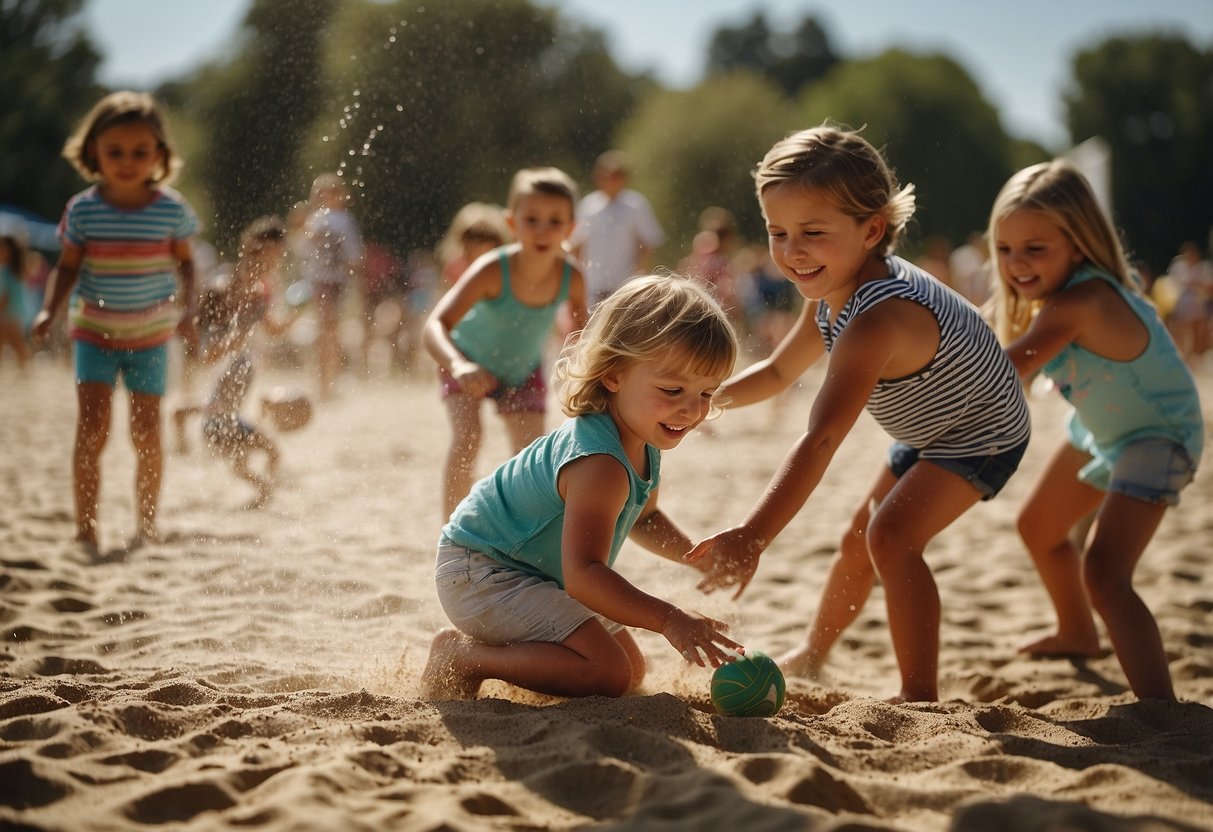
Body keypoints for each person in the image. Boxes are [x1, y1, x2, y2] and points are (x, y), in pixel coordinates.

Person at [687, 125, 1032, 703]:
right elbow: (776, 372)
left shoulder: (878, 318)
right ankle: (815, 652)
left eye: (813, 233)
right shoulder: (828, 286)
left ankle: (919, 695)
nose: (793, 250)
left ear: (872, 229)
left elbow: (821, 438)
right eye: (778, 232)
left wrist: (753, 536)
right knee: (859, 540)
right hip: (930, 428)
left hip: (980, 433)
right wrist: (702, 401)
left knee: (892, 537)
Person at [421, 274, 745, 700]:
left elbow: (642, 518)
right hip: (481, 571)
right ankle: (461, 657)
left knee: (631, 669)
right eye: (672, 389)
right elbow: (585, 575)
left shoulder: (641, 440)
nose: (692, 409)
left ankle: (509, 654)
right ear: (613, 375)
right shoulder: (599, 463)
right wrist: (670, 619)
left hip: (535, 574)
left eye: (706, 392)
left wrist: (695, 558)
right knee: (606, 672)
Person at [988, 161, 1204, 701]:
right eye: (1006, 249)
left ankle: (1162, 711)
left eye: (1035, 249)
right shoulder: (1051, 300)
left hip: (1160, 434)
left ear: (1079, 245)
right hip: (1104, 432)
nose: (1017, 265)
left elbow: (1002, 366)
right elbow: (982, 331)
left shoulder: (1083, 301)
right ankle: (1078, 634)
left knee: (1105, 573)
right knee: (1039, 528)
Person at [31, 91, 199, 559]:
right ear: (93, 154)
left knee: (147, 432)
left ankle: (147, 524)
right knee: (92, 429)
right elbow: (67, 266)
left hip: (151, 337)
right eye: (115, 152)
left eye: (140, 152)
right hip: (94, 334)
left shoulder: (172, 210)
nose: (127, 162)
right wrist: (49, 309)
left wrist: (190, 307)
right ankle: (85, 530)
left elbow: (186, 263)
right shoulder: (83, 210)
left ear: (160, 155)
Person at [424, 167, 590, 520]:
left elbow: (583, 333)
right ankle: (451, 536)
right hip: (466, 359)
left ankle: (518, 539)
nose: (543, 230)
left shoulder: (571, 276)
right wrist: (459, 365)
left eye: (554, 221)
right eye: (532, 220)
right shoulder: (491, 268)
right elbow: (436, 325)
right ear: (512, 223)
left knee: (532, 458)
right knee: (469, 438)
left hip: (522, 370)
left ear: (571, 228)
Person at [173, 217, 297, 508]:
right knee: (270, 451)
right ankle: (270, 494)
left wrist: (295, 317)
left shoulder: (262, 290)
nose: (275, 263)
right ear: (251, 249)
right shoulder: (224, 284)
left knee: (242, 460)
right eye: (271, 255)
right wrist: (234, 338)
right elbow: (207, 352)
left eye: (279, 257)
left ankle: (262, 496)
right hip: (225, 402)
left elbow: (272, 329)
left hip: (235, 394)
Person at [570, 150, 665, 306]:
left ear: (624, 178)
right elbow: (577, 242)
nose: (610, 181)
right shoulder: (589, 205)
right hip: (592, 284)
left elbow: (647, 242)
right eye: (606, 175)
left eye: (615, 176)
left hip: (624, 284)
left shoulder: (635, 205)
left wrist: (640, 274)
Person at [300, 173, 364, 399]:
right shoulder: (317, 219)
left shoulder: (345, 220)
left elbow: (355, 256)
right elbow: (305, 250)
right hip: (321, 279)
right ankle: (323, 382)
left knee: (331, 331)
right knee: (324, 330)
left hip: (337, 280)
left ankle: (329, 381)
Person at [436, 202, 511, 288]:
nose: (481, 245)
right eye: (472, 236)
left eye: (488, 237)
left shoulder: (505, 268)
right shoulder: (455, 269)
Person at [0, 230, 32, 368]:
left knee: (16, 342)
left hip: (10, 311)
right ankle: (24, 365)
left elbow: (6, 296)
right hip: (15, 311)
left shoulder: (8, 270)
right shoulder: (14, 269)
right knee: (11, 341)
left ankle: (25, 365)